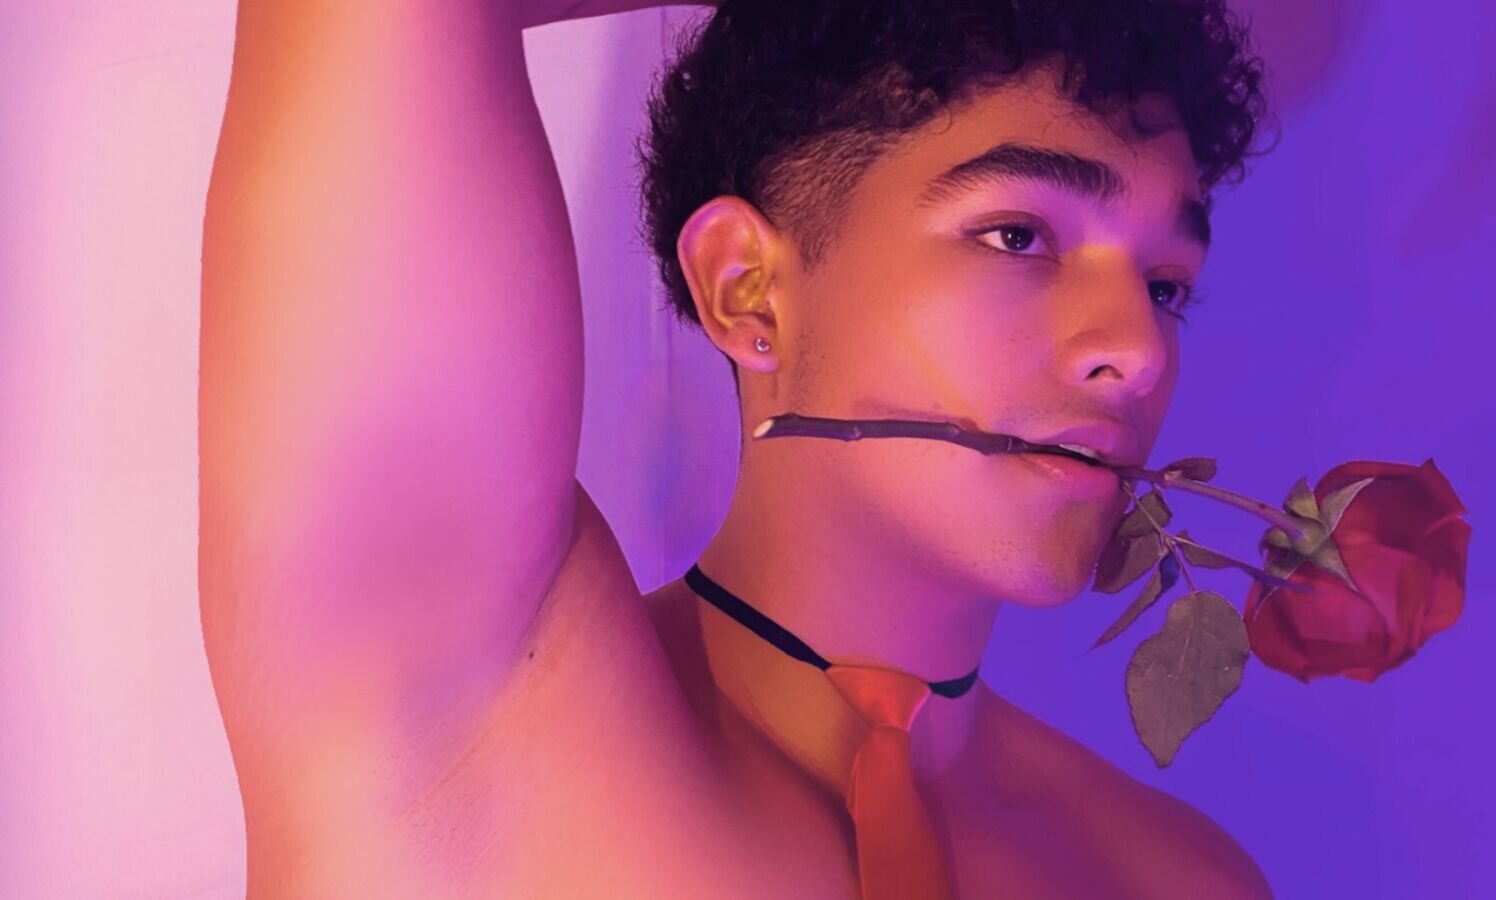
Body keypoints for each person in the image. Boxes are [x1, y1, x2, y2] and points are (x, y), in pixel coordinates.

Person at [198, 0, 1276, 896]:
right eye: (1017, 235)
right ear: (745, 287)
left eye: (1164, 285)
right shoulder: (459, 703)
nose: (1138, 350)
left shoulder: (1182, 880)